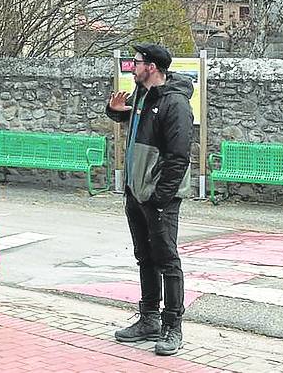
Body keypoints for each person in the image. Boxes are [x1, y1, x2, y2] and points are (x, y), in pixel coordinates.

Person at [105, 43, 194, 356]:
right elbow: (131, 124)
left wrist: (160, 196)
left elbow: (179, 156)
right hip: (136, 192)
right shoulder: (143, 95)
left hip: (158, 198)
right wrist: (113, 112)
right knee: (144, 256)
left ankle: (173, 326)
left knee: (167, 260)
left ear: (152, 67)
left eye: (137, 62)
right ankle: (149, 318)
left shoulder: (175, 103)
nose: (132, 66)